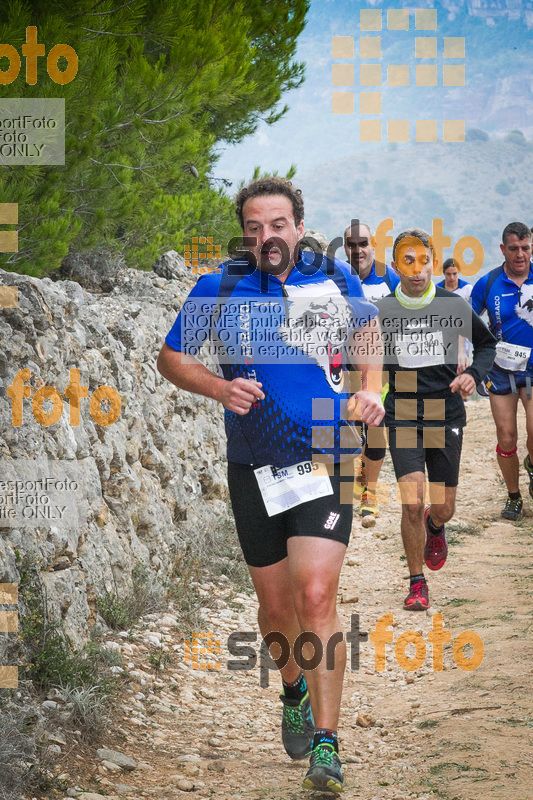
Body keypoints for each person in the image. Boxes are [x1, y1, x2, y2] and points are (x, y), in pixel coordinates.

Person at [157, 177, 385, 793]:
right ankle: (293, 690)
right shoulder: (220, 286)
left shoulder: (336, 280)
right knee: (275, 609)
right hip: (253, 464)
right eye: (254, 228)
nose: (267, 238)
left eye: (277, 225)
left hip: (327, 448)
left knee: (314, 595)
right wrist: (219, 388)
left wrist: (369, 388)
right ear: (245, 232)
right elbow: (170, 357)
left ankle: (328, 745)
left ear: (299, 223)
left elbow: (368, 338)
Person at [376, 228, 496, 610]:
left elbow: (487, 344)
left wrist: (472, 375)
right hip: (404, 413)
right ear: (396, 266)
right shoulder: (381, 312)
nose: (418, 270)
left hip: (446, 412)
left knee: (443, 507)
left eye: (424, 261)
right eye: (408, 262)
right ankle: (416, 583)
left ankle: (436, 525)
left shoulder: (453, 306)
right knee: (411, 501)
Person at [471, 222, 533, 521]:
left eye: (525, 248)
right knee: (507, 437)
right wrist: (466, 355)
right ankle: (513, 497)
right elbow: (466, 319)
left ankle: (531, 464)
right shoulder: (489, 282)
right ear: (502, 249)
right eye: (513, 249)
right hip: (501, 371)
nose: (520, 255)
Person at [343, 221, 399, 526]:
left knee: (375, 429)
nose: (357, 250)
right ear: (344, 248)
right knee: (350, 430)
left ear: (372, 246)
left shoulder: (388, 278)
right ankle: (356, 477)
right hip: (343, 367)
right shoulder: (335, 277)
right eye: (351, 245)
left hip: (380, 366)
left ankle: (370, 494)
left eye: (363, 244)